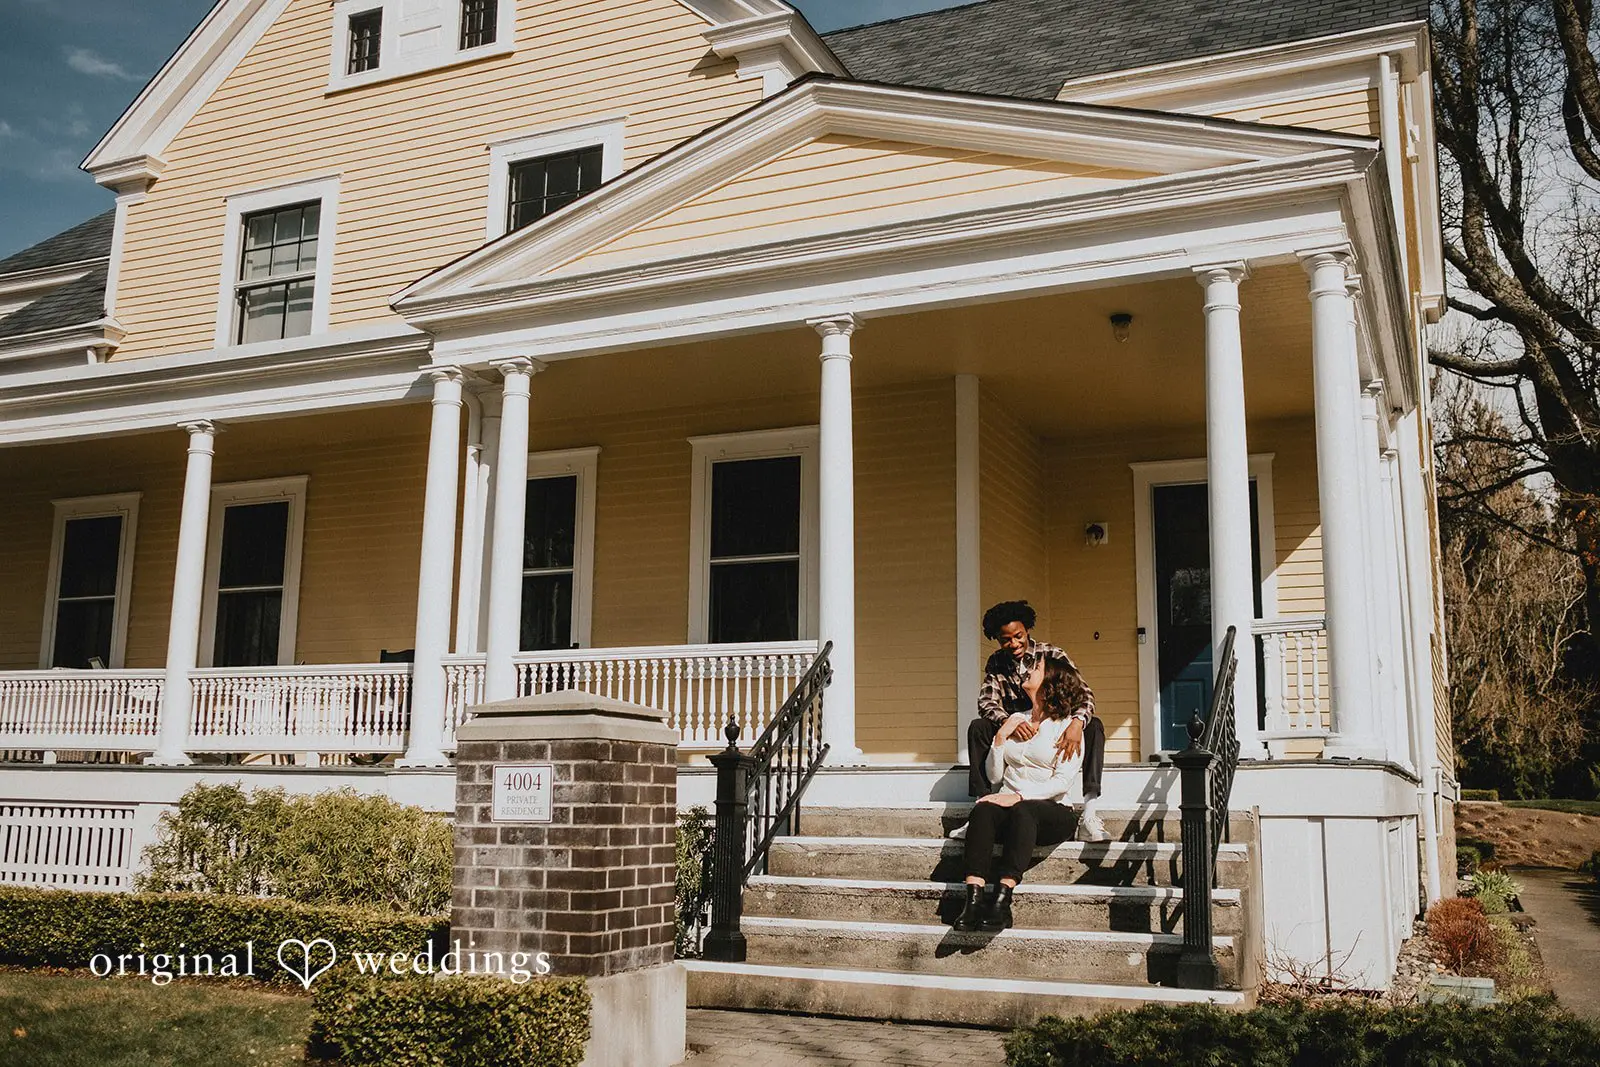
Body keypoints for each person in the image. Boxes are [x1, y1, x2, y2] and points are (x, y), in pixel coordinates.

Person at [955, 600, 1109, 843]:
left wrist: (1077, 723)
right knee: (979, 727)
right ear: (997, 639)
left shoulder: (1052, 654)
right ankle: (982, 807)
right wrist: (1010, 723)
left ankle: (1089, 814)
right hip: (1018, 729)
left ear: (1027, 630)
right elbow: (986, 701)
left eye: (1018, 636)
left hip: (1054, 726)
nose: (1014, 644)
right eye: (1006, 639)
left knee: (1094, 727)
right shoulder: (997, 662)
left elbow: (1084, 694)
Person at [952, 655, 1086, 931]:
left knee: (1024, 811)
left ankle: (1002, 901)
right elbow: (994, 776)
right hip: (1012, 810)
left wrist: (1019, 796)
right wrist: (1001, 737)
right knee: (984, 808)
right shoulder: (1016, 719)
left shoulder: (1066, 728)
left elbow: (1061, 782)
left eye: (1036, 668)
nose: (1027, 671)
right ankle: (973, 899)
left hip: (1053, 812)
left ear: (1050, 682)